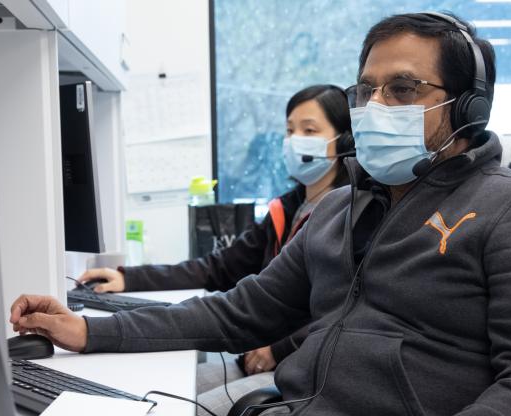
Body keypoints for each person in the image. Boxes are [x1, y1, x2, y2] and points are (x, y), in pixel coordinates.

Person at [11, 12, 511, 416]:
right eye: (366, 90)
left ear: (468, 107)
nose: (374, 107)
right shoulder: (342, 208)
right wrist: (89, 329)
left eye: (402, 89)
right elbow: (238, 314)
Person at [78, 84, 355, 414]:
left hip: (302, 371)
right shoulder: (286, 209)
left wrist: (278, 349)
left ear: (344, 140)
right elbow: (218, 267)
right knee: (141, 394)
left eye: (309, 130)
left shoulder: (351, 214)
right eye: (289, 130)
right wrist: (130, 277)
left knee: (175, 410)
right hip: (256, 358)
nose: (295, 140)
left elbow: (345, 311)